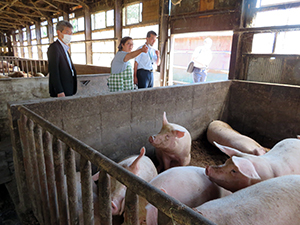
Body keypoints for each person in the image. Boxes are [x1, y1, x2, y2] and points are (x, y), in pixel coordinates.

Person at [47, 20, 77, 97]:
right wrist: (59, 91)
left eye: (71, 33)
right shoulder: (54, 48)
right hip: (61, 91)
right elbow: (54, 71)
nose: (69, 35)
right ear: (58, 32)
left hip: (68, 88)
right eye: (67, 32)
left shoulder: (65, 49)